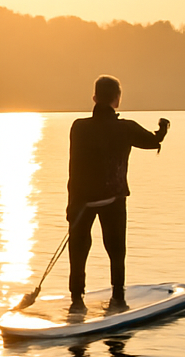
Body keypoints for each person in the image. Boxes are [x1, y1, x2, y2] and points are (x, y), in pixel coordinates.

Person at [66, 74, 169, 314]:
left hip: (81, 201)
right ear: (117, 99)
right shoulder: (126, 128)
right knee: (116, 249)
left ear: (94, 98)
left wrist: (71, 206)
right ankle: (118, 296)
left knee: (79, 249)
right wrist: (163, 127)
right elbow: (153, 142)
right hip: (113, 199)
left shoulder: (79, 127)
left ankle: (76, 299)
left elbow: (74, 166)